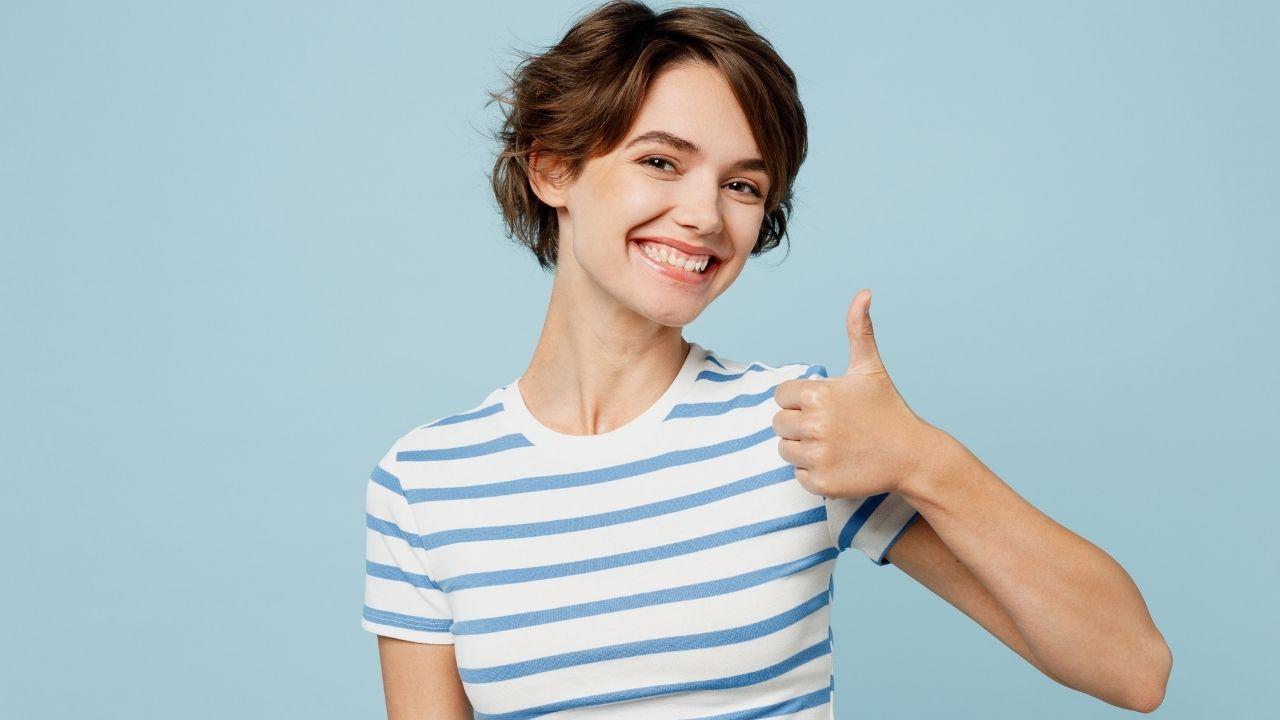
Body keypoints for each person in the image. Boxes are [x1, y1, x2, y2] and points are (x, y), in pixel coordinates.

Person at [361, 2, 1172, 717]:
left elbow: (1132, 670)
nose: (704, 216)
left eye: (744, 187)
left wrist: (926, 458)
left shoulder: (800, 427)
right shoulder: (427, 484)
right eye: (661, 162)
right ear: (553, 167)